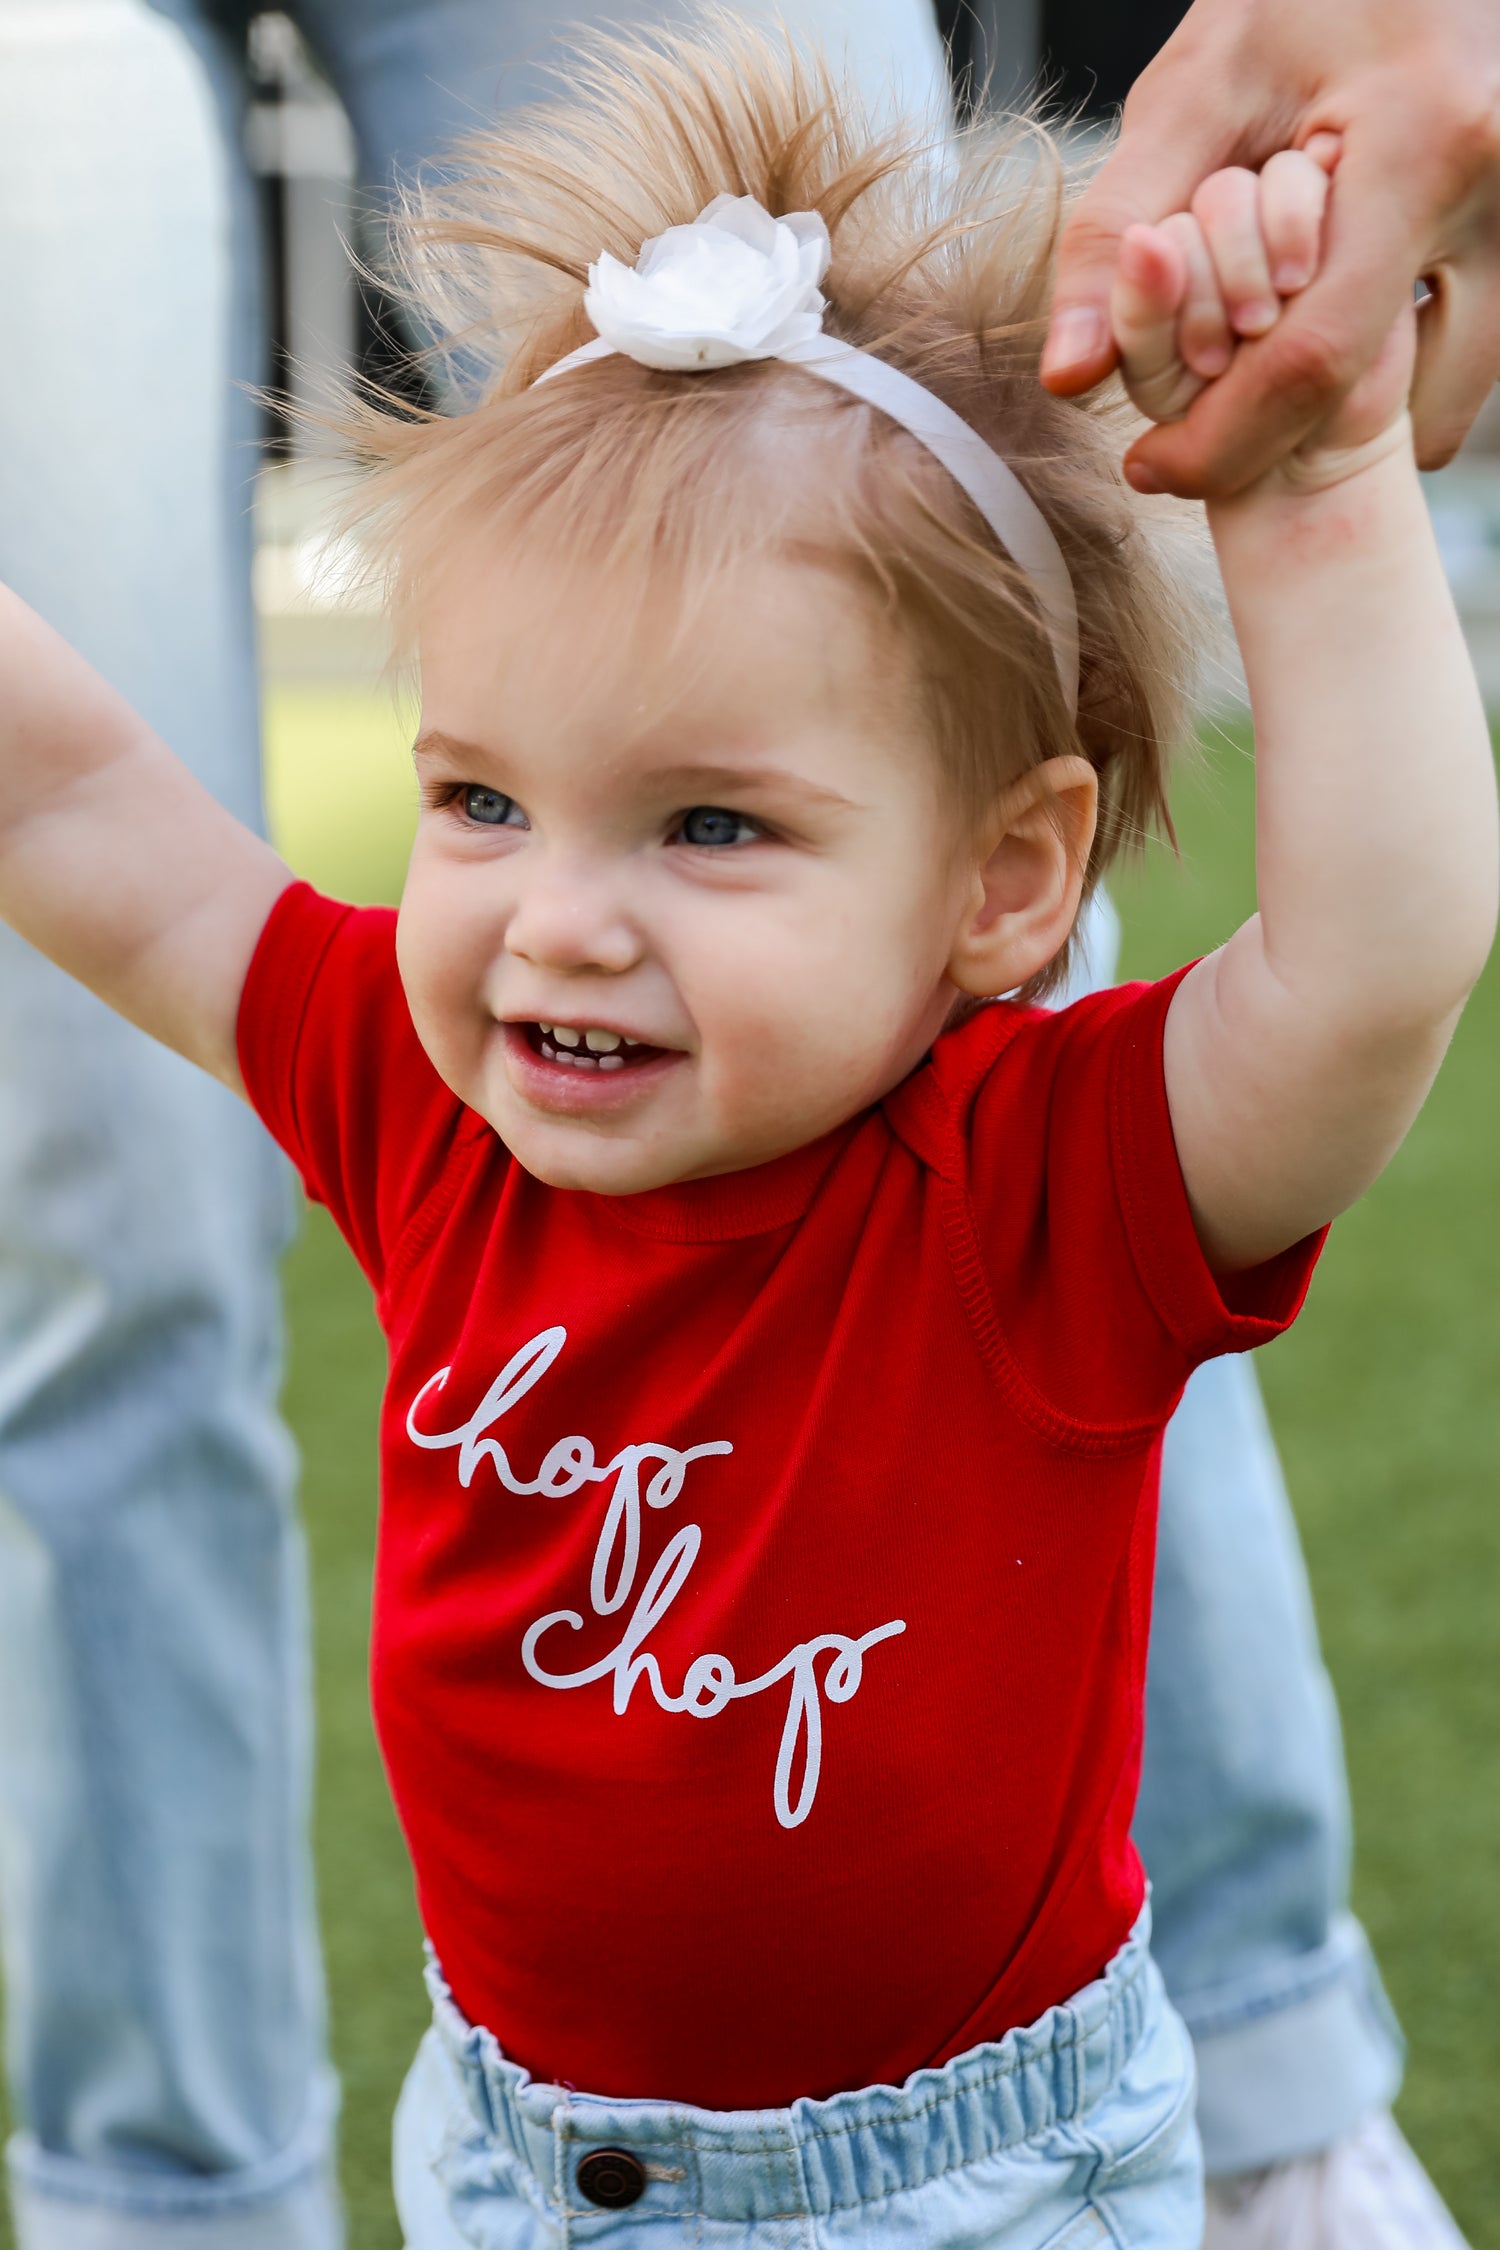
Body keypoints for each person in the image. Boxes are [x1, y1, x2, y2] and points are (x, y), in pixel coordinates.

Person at [0, 4, 1487, 2247]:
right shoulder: (428, 1103)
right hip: (513, 2165)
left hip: (976, 2196)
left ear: (1009, 880)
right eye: (481, 800)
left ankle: (1295, 2131)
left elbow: (1373, 959)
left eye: (708, 825)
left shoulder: (1046, 1184)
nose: (555, 925)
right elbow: (91, 807)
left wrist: (1314, 488)